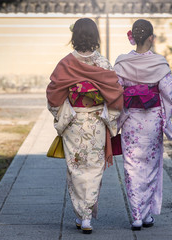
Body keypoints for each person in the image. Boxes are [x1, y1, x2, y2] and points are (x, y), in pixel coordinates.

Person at [46, 18, 123, 234]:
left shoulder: (66, 63)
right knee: (94, 168)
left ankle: (83, 214)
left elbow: (54, 94)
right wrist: (109, 116)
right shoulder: (103, 64)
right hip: (97, 121)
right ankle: (87, 215)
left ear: (74, 36)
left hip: (74, 121)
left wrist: (65, 112)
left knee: (76, 168)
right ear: (95, 36)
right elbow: (115, 94)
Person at [114, 19, 172, 230]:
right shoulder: (159, 64)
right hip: (152, 120)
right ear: (151, 38)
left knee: (132, 168)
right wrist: (165, 119)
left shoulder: (122, 63)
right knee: (150, 166)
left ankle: (137, 215)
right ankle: (147, 213)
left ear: (132, 37)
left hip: (131, 119)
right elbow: (169, 95)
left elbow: (115, 94)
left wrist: (117, 118)